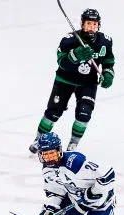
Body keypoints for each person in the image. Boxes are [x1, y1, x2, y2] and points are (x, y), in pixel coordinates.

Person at [28, 8, 116, 153]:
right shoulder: (69, 39)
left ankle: (73, 144)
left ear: (99, 25)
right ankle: (39, 139)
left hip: (88, 82)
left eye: (94, 24)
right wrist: (75, 55)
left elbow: (108, 61)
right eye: (88, 24)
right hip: (65, 80)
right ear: (82, 24)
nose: (91, 27)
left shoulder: (105, 41)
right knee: (53, 112)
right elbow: (61, 62)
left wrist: (108, 74)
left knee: (84, 113)